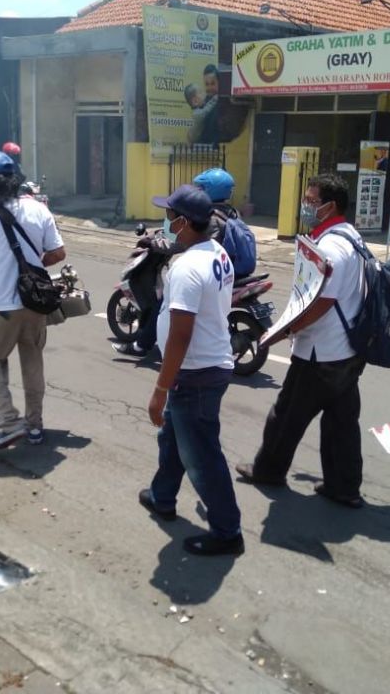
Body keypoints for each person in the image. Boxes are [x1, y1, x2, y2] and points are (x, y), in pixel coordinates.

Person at [235, 173, 367, 507]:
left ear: (329, 206)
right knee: (342, 422)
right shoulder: (351, 237)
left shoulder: (333, 246)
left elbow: (321, 301)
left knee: (286, 415)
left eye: (311, 200)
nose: (305, 205)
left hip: (320, 353)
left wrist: (285, 331)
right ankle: (344, 487)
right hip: (347, 349)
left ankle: (268, 470)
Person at [139, 184, 243, 556]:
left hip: (194, 373)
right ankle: (162, 496)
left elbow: (180, 335)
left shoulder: (187, 267)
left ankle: (228, 531)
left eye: (168, 216)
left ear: (182, 223)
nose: (164, 222)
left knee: (202, 457)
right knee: (172, 439)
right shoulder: (215, 253)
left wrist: (160, 388)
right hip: (208, 366)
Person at [0, 151, 65, 449]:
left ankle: (9, 423)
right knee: (32, 363)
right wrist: (32, 266)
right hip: (34, 305)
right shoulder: (38, 211)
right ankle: (34, 427)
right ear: (16, 178)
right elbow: (59, 253)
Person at [111, 168, 246, 358]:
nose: (197, 190)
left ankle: (142, 346)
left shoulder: (208, 223)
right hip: (224, 271)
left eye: (200, 187)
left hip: (197, 364)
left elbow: (180, 243)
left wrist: (162, 385)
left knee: (164, 306)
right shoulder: (230, 213)